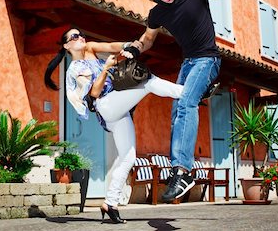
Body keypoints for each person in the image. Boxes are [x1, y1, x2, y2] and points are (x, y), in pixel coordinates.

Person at [129, 0, 278, 202]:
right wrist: (136, 48)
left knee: (187, 102)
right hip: (188, 64)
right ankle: (180, 166)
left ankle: (182, 171)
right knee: (177, 109)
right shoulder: (157, 14)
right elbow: (147, 39)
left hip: (208, 59)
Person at [44, 28, 183, 223]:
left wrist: (128, 46)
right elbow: (94, 93)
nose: (81, 37)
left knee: (128, 157)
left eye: (81, 34)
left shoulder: (90, 48)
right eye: (74, 37)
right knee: (148, 82)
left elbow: (110, 46)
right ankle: (190, 92)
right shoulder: (74, 70)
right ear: (67, 45)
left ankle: (110, 202)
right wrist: (105, 69)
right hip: (105, 106)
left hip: (118, 109)